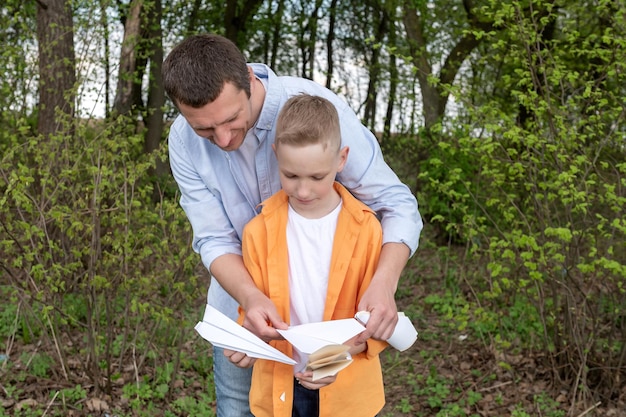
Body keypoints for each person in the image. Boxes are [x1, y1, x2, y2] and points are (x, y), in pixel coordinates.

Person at [162, 33, 422, 417]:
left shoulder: (316, 112)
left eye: (233, 119)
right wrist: (250, 298)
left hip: (329, 328)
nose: (223, 138)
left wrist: (383, 283)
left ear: (249, 79)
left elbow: (396, 203)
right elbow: (215, 239)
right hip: (243, 319)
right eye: (205, 130)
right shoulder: (183, 142)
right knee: (237, 407)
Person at [229, 94, 389, 417]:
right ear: (276, 157)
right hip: (281, 390)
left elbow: (375, 323)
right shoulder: (257, 232)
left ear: (341, 159)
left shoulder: (367, 229)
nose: (303, 191)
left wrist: (333, 359)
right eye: (291, 176)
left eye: (317, 177)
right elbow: (251, 312)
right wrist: (246, 336)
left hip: (348, 391)